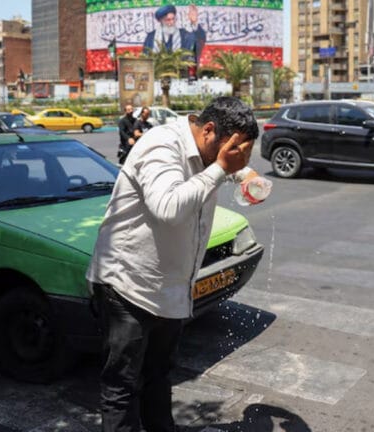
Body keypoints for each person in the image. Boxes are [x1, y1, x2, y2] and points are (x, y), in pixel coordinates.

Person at [86, 96, 261, 432]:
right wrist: (221, 169)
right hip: (129, 285)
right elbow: (167, 208)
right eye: (234, 151)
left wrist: (245, 175)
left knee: (158, 375)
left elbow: (226, 167)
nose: (235, 160)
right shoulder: (161, 147)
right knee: (122, 386)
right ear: (209, 131)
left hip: (172, 287)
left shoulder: (211, 149)